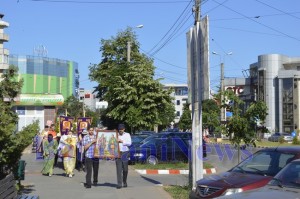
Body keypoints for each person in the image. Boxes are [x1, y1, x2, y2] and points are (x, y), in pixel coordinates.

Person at [115, 123, 132, 189]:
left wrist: (122, 141)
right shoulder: (116, 135)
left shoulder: (127, 135)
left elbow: (130, 143)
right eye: (119, 129)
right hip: (118, 153)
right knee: (119, 169)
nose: (120, 130)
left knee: (125, 169)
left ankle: (124, 181)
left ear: (124, 129)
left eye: (121, 129)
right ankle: (119, 184)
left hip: (125, 153)